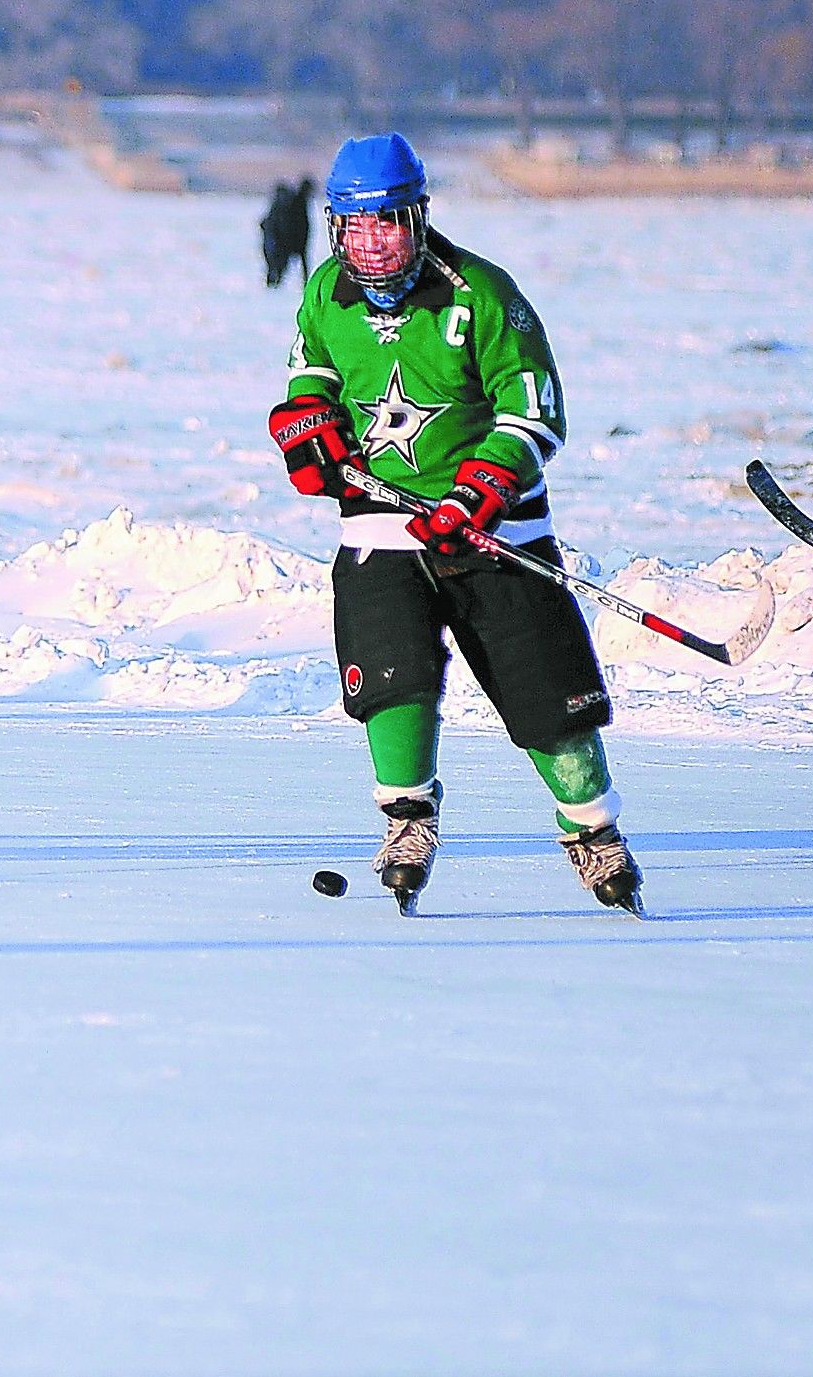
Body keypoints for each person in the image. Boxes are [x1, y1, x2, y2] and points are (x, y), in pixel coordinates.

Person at [269, 132, 640, 913]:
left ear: (419, 217)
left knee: (546, 696)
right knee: (390, 679)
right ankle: (408, 821)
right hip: (379, 530)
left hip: (493, 531)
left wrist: (478, 492)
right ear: (336, 226)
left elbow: (535, 409)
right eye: (356, 225)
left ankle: (594, 832)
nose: (373, 243)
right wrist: (305, 425)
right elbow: (313, 377)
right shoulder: (327, 290)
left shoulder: (481, 292)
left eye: (390, 222)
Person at [260, 177, 313, 287]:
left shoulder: (286, 204)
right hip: (287, 240)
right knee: (278, 265)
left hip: (284, 240)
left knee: (276, 265)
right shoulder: (294, 204)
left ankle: (274, 284)